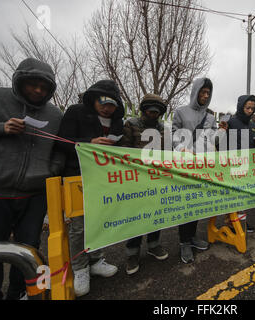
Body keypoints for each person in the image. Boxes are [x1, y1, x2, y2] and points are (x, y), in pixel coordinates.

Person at [0, 57, 63, 300]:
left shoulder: (55, 114)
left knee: (30, 249)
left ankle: (22, 293)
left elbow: (61, 151)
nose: (38, 90)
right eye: (33, 84)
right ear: (19, 80)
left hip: (35, 195)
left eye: (44, 87)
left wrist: (51, 170)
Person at [57, 80, 123, 297]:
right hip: (77, 176)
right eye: (103, 102)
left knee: (99, 220)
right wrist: (88, 143)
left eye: (112, 104)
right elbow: (61, 141)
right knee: (79, 226)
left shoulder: (118, 122)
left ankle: (96, 260)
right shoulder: (76, 112)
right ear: (94, 99)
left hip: (104, 178)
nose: (107, 108)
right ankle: (80, 269)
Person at [119, 93, 169, 275]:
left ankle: (154, 244)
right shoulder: (131, 124)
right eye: (150, 110)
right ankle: (132, 253)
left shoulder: (164, 128)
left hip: (157, 178)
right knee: (136, 216)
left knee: (156, 212)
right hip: (136, 179)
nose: (153, 114)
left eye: (157, 111)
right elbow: (123, 151)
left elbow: (167, 153)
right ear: (143, 109)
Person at [172, 77, 220, 264]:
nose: (205, 95)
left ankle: (191, 237)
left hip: (203, 164)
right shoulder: (181, 111)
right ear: (195, 91)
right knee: (186, 203)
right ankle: (184, 242)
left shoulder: (210, 116)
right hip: (185, 164)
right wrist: (181, 147)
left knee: (197, 202)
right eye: (202, 91)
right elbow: (174, 133)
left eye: (208, 92)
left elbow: (213, 137)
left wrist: (219, 134)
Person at [225, 95, 255, 232]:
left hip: (248, 165)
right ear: (241, 106)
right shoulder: (231, 121)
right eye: (247, 107)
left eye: (253, 108)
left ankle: (241, 222)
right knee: (234, 195)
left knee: (244, 196)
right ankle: (232, 223)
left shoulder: (254, 126)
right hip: (233, 164)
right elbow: (220, 142)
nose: (250, 110)